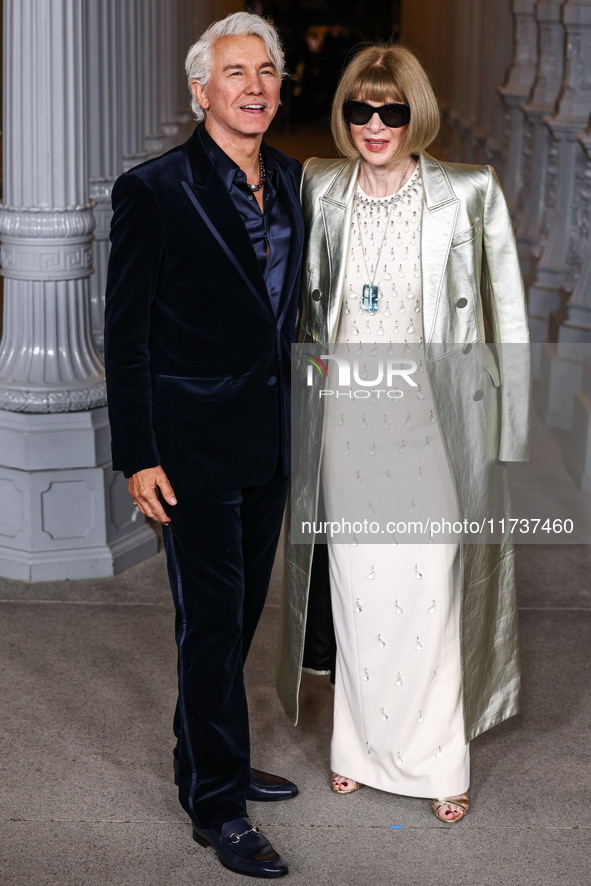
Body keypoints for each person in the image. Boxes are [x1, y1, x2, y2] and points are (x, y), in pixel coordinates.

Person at [276, 44, 530, 824]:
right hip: (348, 419)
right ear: (343, 114)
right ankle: (355, 747)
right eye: (360, 109)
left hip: (432, 420)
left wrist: (507, 434)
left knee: (430, 586)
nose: (375, 124)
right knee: (357, 589)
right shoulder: (319, 183)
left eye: (390, 109)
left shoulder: (466, 193)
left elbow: (507, 312)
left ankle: (436, 761)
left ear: (413, 111)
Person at [104, 12, 304, 879]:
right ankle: (217, 807)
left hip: (268, 444)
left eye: (265, 71)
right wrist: (138, 453)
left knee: (234, 620)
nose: (254, 86)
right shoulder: (153, 190)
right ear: (200, 90)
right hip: (187, 452)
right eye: (234, 73)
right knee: (213, 628)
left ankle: (205, 762)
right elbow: (127, 336)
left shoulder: (293, 179)